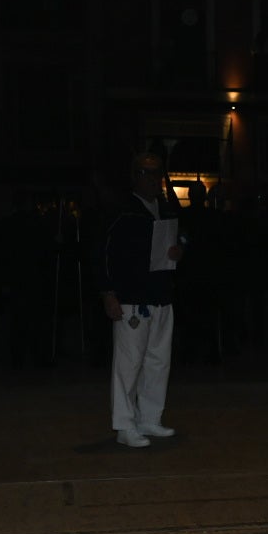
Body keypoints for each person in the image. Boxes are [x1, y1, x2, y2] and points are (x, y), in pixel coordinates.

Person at [97, 152, 183, 448]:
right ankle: (124, 425)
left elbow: (184, 238)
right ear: (135, 176)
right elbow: (103, 254)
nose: (153, 179)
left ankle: (150, 418)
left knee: (158, 361)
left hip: (161, 295)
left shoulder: (166, 208)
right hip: (132, 298)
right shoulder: (121, 210)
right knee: (129, 364)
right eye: (146, 173)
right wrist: (108, 293)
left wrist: (180, 250)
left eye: (157, 173)